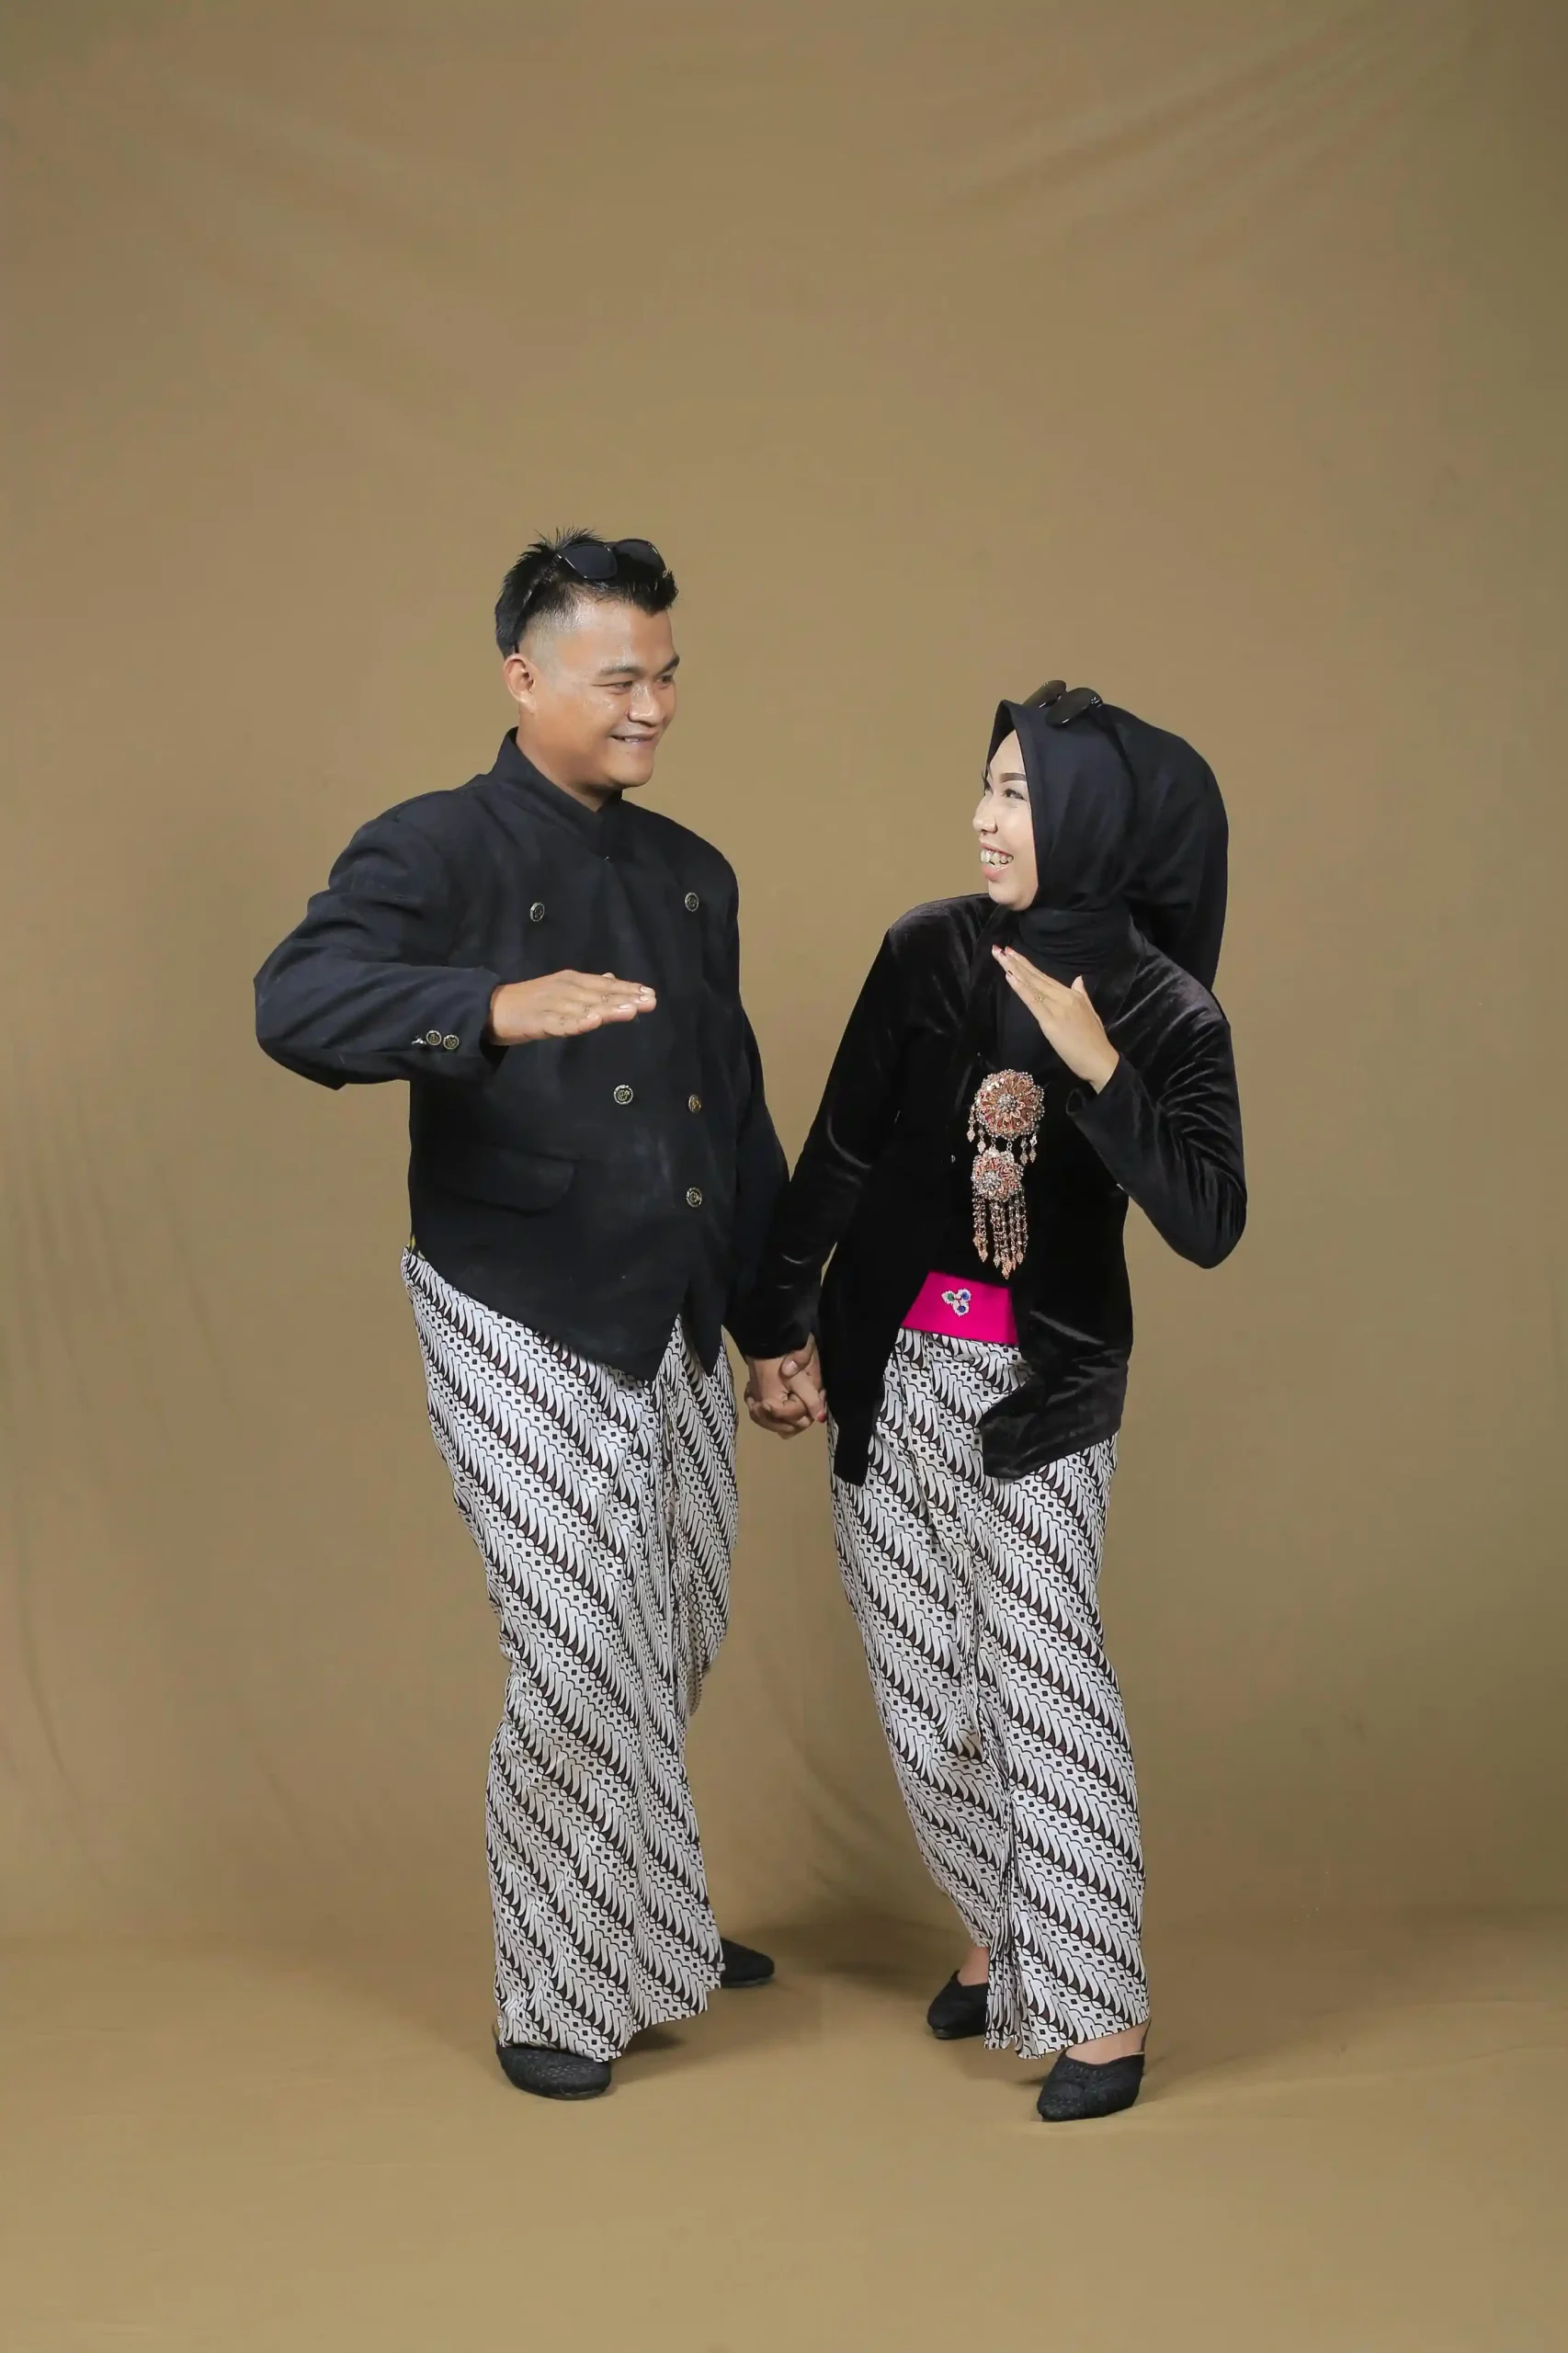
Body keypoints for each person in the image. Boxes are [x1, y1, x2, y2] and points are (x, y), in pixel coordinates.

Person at [255, 530, 786, 2100]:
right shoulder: (432, 844)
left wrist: (775, 1319)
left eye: (666, 676)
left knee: (674, 1623)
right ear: (523, 677)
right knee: (577, 1641)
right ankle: (558, 1988)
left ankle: (644, 1911)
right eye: (619, 679)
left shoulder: (693, 870)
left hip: (673, 1301)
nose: (652, 707)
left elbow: (730, 1106)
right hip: (514, 1299)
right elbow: (294, 999)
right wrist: (484, 1007)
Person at [736, 683, 1244, 2122]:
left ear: (1089, 817)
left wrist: (1098, 1069)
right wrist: (775, 1323)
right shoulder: (926, 950)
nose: (982, 815)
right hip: (887, 1365)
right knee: (924, 1691)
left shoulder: (1165, 1007)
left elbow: (1208, 1220)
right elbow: (841, 1149)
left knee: (1041, 1681)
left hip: (1041, 1392)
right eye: (987, 783)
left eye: (1017, 793)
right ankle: (999, 1928)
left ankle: (1100, 2013)